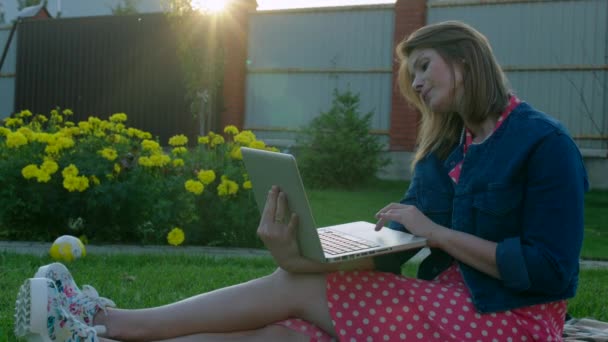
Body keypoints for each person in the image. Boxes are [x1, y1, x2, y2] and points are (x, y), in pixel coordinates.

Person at [15, 20, 588, 342]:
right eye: (410, 72)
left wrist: (436, 232)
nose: (414, 82)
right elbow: (398, 251)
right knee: (288, 335)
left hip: (511, 322)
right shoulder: (447, 149)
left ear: (465, 62)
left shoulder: (544, 145)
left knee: (299, 295)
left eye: (424, 66)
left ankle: (103, 320)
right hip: (445, 303)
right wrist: (301, 254)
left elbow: (550, 271)